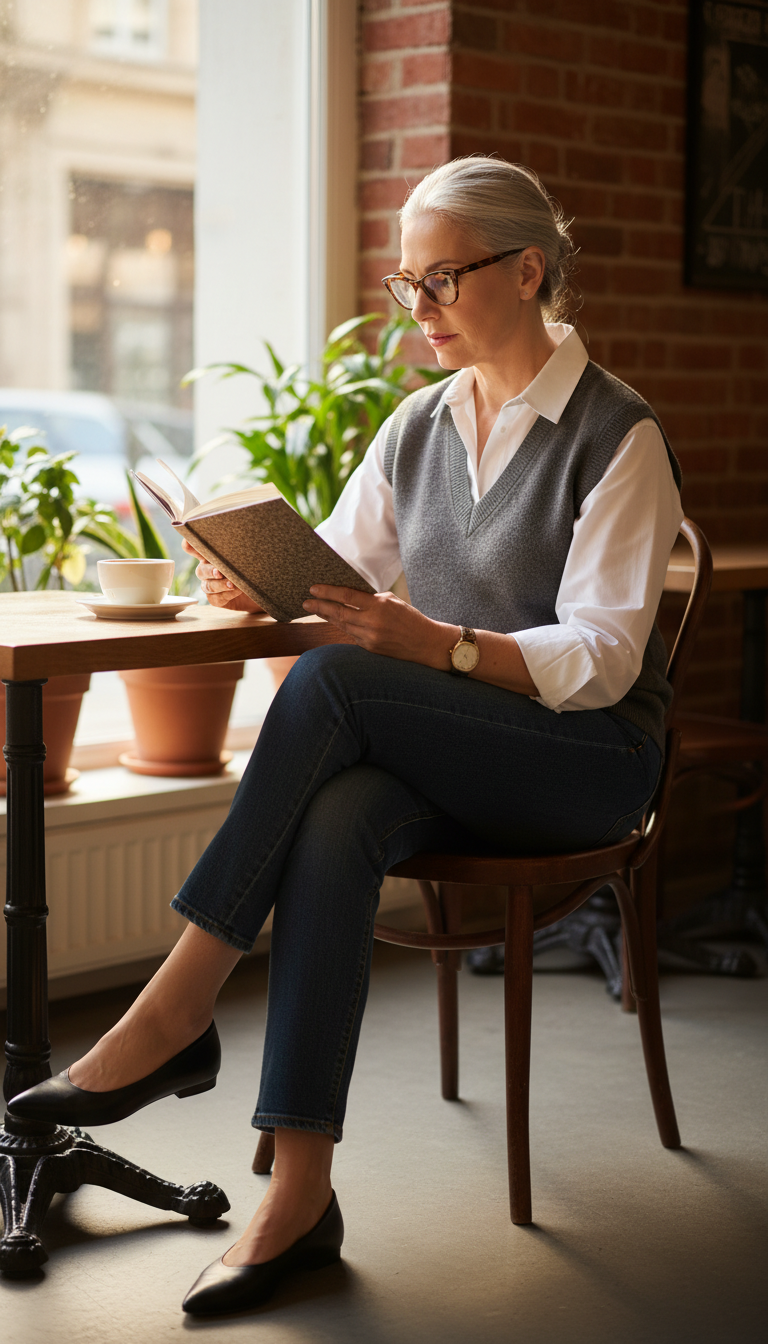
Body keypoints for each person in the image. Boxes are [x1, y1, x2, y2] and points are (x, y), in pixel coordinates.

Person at [9, 157, 683, 1315]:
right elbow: (341, 575)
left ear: (528, 272)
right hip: (461, 751)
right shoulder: (418, 424)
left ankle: (176, 1011)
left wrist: (443, 646)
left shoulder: (621, 436)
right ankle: (300, 1202)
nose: (415, 307)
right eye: (405, 281)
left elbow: (608, 657)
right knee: (337, 816)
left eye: (442, 279)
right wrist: (257, 583)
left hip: (590, 760)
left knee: (339, 688)